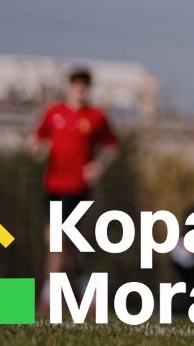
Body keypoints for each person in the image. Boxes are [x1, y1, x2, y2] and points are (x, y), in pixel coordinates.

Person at [31, 68, 118, 281]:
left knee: (55, 236)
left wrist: (98, 166)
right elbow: (37, 138)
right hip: (53, 185)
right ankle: (85, 282)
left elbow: (112, 146)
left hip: (77, 187)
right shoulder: (53, 112)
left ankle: (50, 291)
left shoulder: (96, 116)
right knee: (66, 239)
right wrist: (35, 147)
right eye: (76, 84)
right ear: (68, 86)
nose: (80, 89)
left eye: (84, 85)